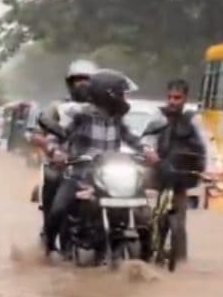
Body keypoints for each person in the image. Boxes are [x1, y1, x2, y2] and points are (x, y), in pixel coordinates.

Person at [47, 70, 157, 256]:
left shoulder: (116, 120)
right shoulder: (81, 117)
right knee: (58, 210)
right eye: (121, 93)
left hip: (110, 179)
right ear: (108, 94)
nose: (124, 98)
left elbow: (131, 139)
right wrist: (56, 151)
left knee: (144, 212)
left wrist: (147, 150)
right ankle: (49, 247)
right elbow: (59, 135)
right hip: (81, 175)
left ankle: (147, 255)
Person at [35, 59, 98, 254]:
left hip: (96, 164)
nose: (82, 84)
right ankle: (49, 236)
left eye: (86, 79)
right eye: (77, 79)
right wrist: (54, 151)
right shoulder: (57, 107)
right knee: (53, 181)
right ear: (70, 83)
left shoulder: (104, 107)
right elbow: (38, 134)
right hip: (64, 163)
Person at [151, 79, 207, 262]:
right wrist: (148, 155)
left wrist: (210, 168)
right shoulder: (158, 117)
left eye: (177, 97)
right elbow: (145, 139)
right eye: (170, 97)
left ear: (185, 98)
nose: (173, 101)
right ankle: (149, 248)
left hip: (181, 175)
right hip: (158, 171)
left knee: (179, 223)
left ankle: (181, 261)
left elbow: (208, 144)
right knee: (146, 214)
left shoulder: (194, 120)